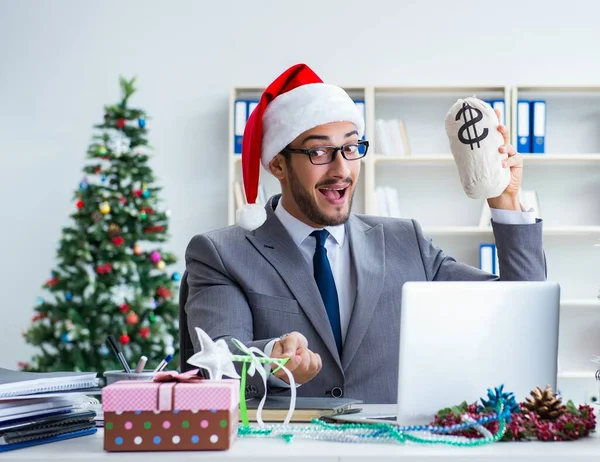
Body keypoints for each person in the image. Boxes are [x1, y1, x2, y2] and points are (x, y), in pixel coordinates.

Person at [183, 63, 546, 404]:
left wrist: (506, 202)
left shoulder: (406, 241)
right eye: (320, 151)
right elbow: (215, 357)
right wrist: (270, 359)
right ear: (278, 163)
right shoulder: (221, 253)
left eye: (351, 147)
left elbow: (520, 310)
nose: (342, 169)